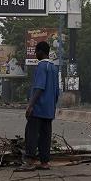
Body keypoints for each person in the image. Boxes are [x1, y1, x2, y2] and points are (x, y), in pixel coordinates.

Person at [23, 41, 60, 170]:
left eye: (36, 52)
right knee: (45, 136)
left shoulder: (41, 66)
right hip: (49, 109)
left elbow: (39, 87)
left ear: (40, 51)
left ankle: (30, 161)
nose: (35, 54)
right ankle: (44, 162)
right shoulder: (54, 68)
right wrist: (52, 106)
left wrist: (30, 105)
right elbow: (57, 91)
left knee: (31, 133)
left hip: (38, 108)